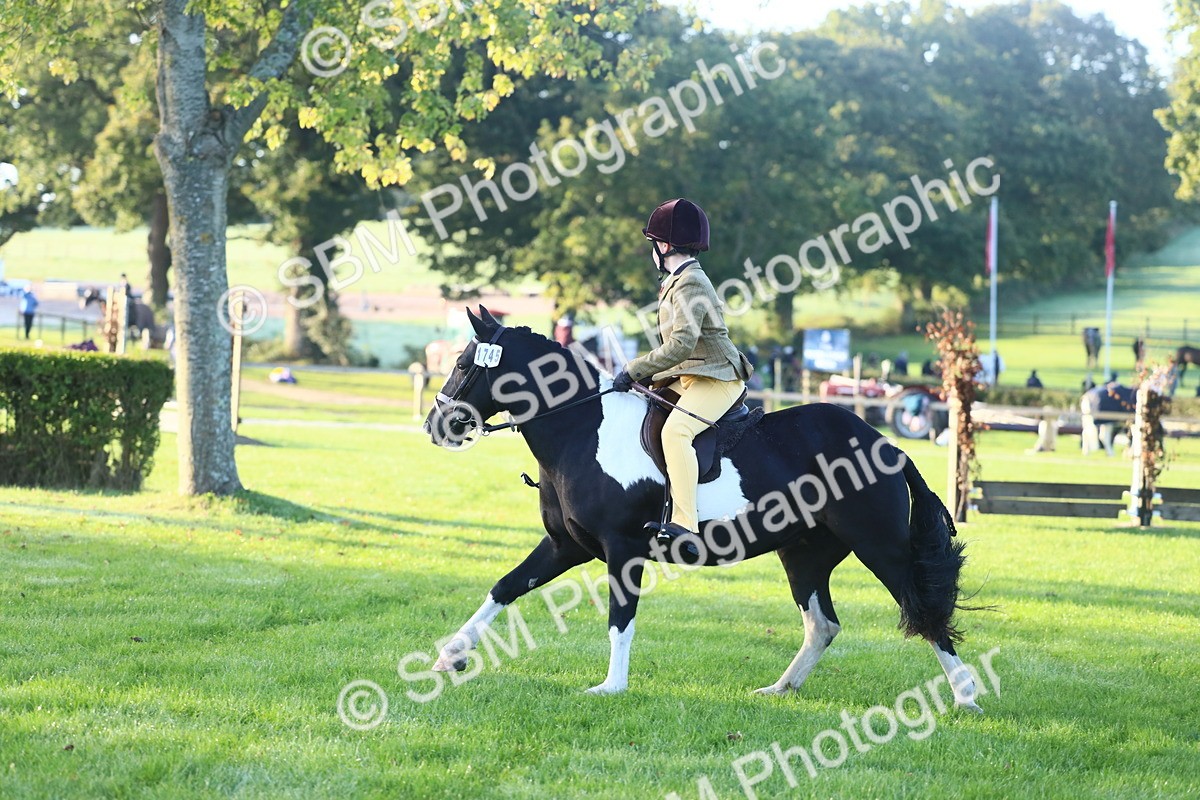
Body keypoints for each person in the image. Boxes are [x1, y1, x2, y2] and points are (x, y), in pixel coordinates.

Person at [612, 198, 754, 554]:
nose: (652, 252)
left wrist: (634, 368)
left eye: (653, 245)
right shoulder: (678, 280)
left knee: (677, 431)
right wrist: (646, 380)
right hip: (693, 374)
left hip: (717, 377)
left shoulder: (690, 282)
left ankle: (686, 525)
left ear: (664, 245)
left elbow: (680, 344)